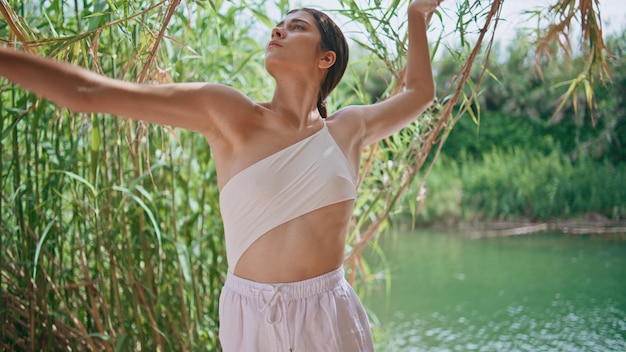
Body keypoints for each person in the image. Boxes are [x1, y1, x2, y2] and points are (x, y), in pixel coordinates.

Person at [0, 0, 440, 350]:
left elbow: (420, 92)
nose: (278, 29)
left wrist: (415, 14)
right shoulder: (228, 114)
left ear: (327, 57)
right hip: (251, 318)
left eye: (297, 26)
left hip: (329, 315)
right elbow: (89, 93)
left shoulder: (348, 129)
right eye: (279, 23)